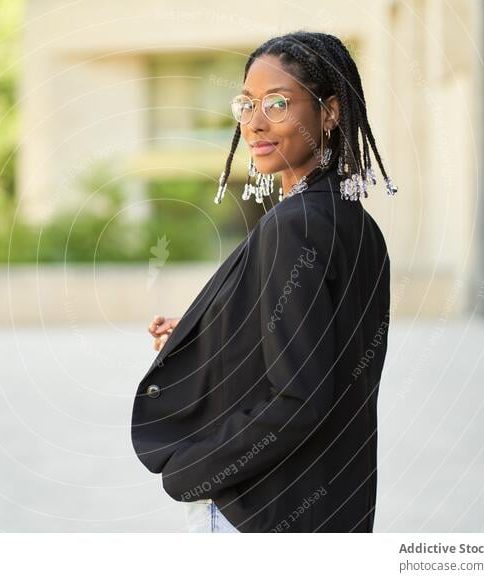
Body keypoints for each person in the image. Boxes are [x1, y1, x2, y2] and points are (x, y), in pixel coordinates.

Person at [133, 31, 394, 533]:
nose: (254, 123)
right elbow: (320, 352)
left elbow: (299, 395)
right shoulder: (356, 224)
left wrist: (192, 471)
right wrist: (208, 335)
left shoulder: (293, 226)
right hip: (334, 507)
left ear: (331, 111)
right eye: (246, 104)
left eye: (277, 103)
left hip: (257, 512)